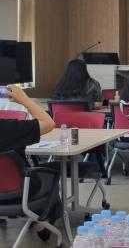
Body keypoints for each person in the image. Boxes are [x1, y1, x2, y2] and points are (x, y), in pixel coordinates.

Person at [1, 85, 60, 241]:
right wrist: (24, 99)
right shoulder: (7, 129)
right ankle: (41, 222)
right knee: (49, 173)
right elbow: (48, 123)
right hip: (18, 191)